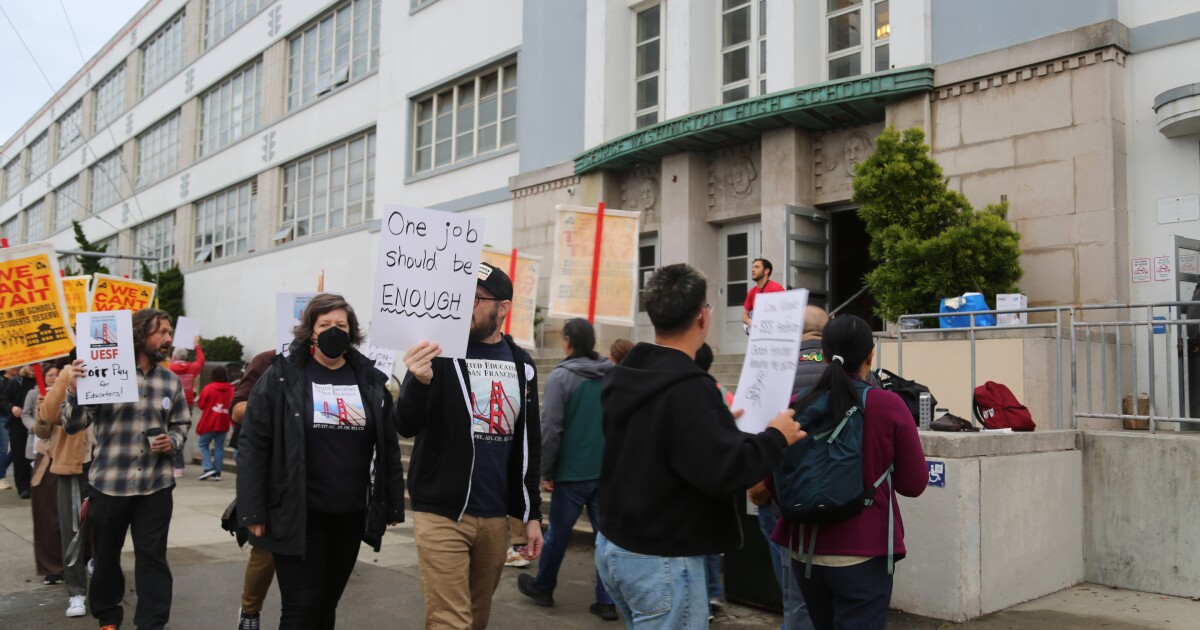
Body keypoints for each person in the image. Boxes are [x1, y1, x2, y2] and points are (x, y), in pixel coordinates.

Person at [595, 263, 806, 629]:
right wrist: (776, 436)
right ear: (702, 318)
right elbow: (725, 472)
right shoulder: (690, 389)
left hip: (616, 546)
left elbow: (670, 442)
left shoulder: (627, 375)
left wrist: (720, 423)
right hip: (662, 557)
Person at [238, 294, 405, 629]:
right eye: (325, 324)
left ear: (352, 332)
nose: (333, 331)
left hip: (349, 513)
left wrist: (391, 504)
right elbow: (254, 443)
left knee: (326, 606)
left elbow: (387, 446)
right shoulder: (282, 376)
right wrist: (253, 509)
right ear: (310, 331)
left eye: (341, 325)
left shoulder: (369, 379)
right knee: (301, 610)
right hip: (298, 511)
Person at [398, 262, 544, 630]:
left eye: (474, 299)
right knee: (451, 621)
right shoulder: (437, 355)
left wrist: (531, 515)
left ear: (503, 308)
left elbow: (528, 445)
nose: (462, 306)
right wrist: (418, 381)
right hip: (443, 513)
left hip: (495, 516)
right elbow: (404, 424)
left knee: (476, 619)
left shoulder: (521, 364)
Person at [772, 315, 927, 630]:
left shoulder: (795, 404)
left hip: (806, 551)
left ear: (825, 356)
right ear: (871, 355)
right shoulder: (888, 405)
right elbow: (913, 484)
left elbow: (773, 476)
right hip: (863, 552)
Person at [59, 308, 190, 630]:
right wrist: (75, 391)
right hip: (109, 484)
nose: (168, 338)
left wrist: (171, 441)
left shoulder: (169, 381)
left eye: (169, 331)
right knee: (105, 558)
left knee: (153, 558)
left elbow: (182, 423)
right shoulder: (105, 373)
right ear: (140, 334)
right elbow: (73, 424)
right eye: (161, 331)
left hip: (156, 487)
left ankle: (152, 622)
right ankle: (108, 616)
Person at [517, 318, 617, 621]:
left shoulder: (562, 377)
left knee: (558, 534)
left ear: (569, 341)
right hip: (605, 470)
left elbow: (551, 429)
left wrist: (544, 472)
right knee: (606, 537)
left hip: (571, 473)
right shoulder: (612, 372)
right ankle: (607, 601)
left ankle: (544, 586)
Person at [36, 361, 94, 619]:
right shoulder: (64, 377)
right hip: (73, 466)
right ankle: (76, 592)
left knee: (108, 526)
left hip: (107, 464)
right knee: (72, 532)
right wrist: (65, 381)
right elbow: (46, 418)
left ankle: (98, 570)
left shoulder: (115, 370)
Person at [230, 349, 277, 630]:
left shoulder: (341, 364)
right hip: (275, 473)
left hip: (320, 476)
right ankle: (250, 610)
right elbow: (237, 410)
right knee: (266, 550)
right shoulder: (266, 361)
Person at [693, 343, 731, 617]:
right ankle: (714, 593)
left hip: (696, 479)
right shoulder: (720, 391)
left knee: (698, 543)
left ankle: (704, 599)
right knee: (712, 542)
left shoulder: (689, 392)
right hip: (719, 479)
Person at [23, 366, 63, 586]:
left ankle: (87, 558)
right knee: (48, 517)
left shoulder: (76, 391)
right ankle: (53, 566)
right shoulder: (37, 394)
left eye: (59, 374)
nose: (55, 378)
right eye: (51, 375)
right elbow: (42, 431)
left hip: (79, 461)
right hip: (47, 459)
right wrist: (41, 414)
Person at [168, 336, 205, 476]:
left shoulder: (170, 368)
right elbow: (201, 361)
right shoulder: (192, 368)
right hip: (187, 404)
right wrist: (197, 346)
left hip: (171, 405)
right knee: (180, 433)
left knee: (168, 434)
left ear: (174, 356)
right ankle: (179, 468)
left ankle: (172, 465)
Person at [3, 365, 38, 498]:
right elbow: (3, 400)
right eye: (31, 365)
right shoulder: (16, 381)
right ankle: (23, 487)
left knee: (35, 455)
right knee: (19, 455)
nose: (34, 368)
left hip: (37, 422)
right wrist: (12, 407)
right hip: (17, 423)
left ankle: (34, 484)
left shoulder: (41, 381)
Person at [195, 366, 234, 481]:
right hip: (224, 421)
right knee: (219, 447)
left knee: (202, 444)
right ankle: (217, 472)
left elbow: (201, 405)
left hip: (209, 422)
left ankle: (208, 468)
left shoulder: (209, 388)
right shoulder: (231, 389)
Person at [742, 258, 786, 333]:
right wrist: (749, 321)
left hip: (774, 331)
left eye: (757, 267)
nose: (753, 270)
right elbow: (745, 314)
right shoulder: (752, 291)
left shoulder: (776, 288)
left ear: (766, 271)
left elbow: (783, 313)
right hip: (759, 332)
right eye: (752, 267)